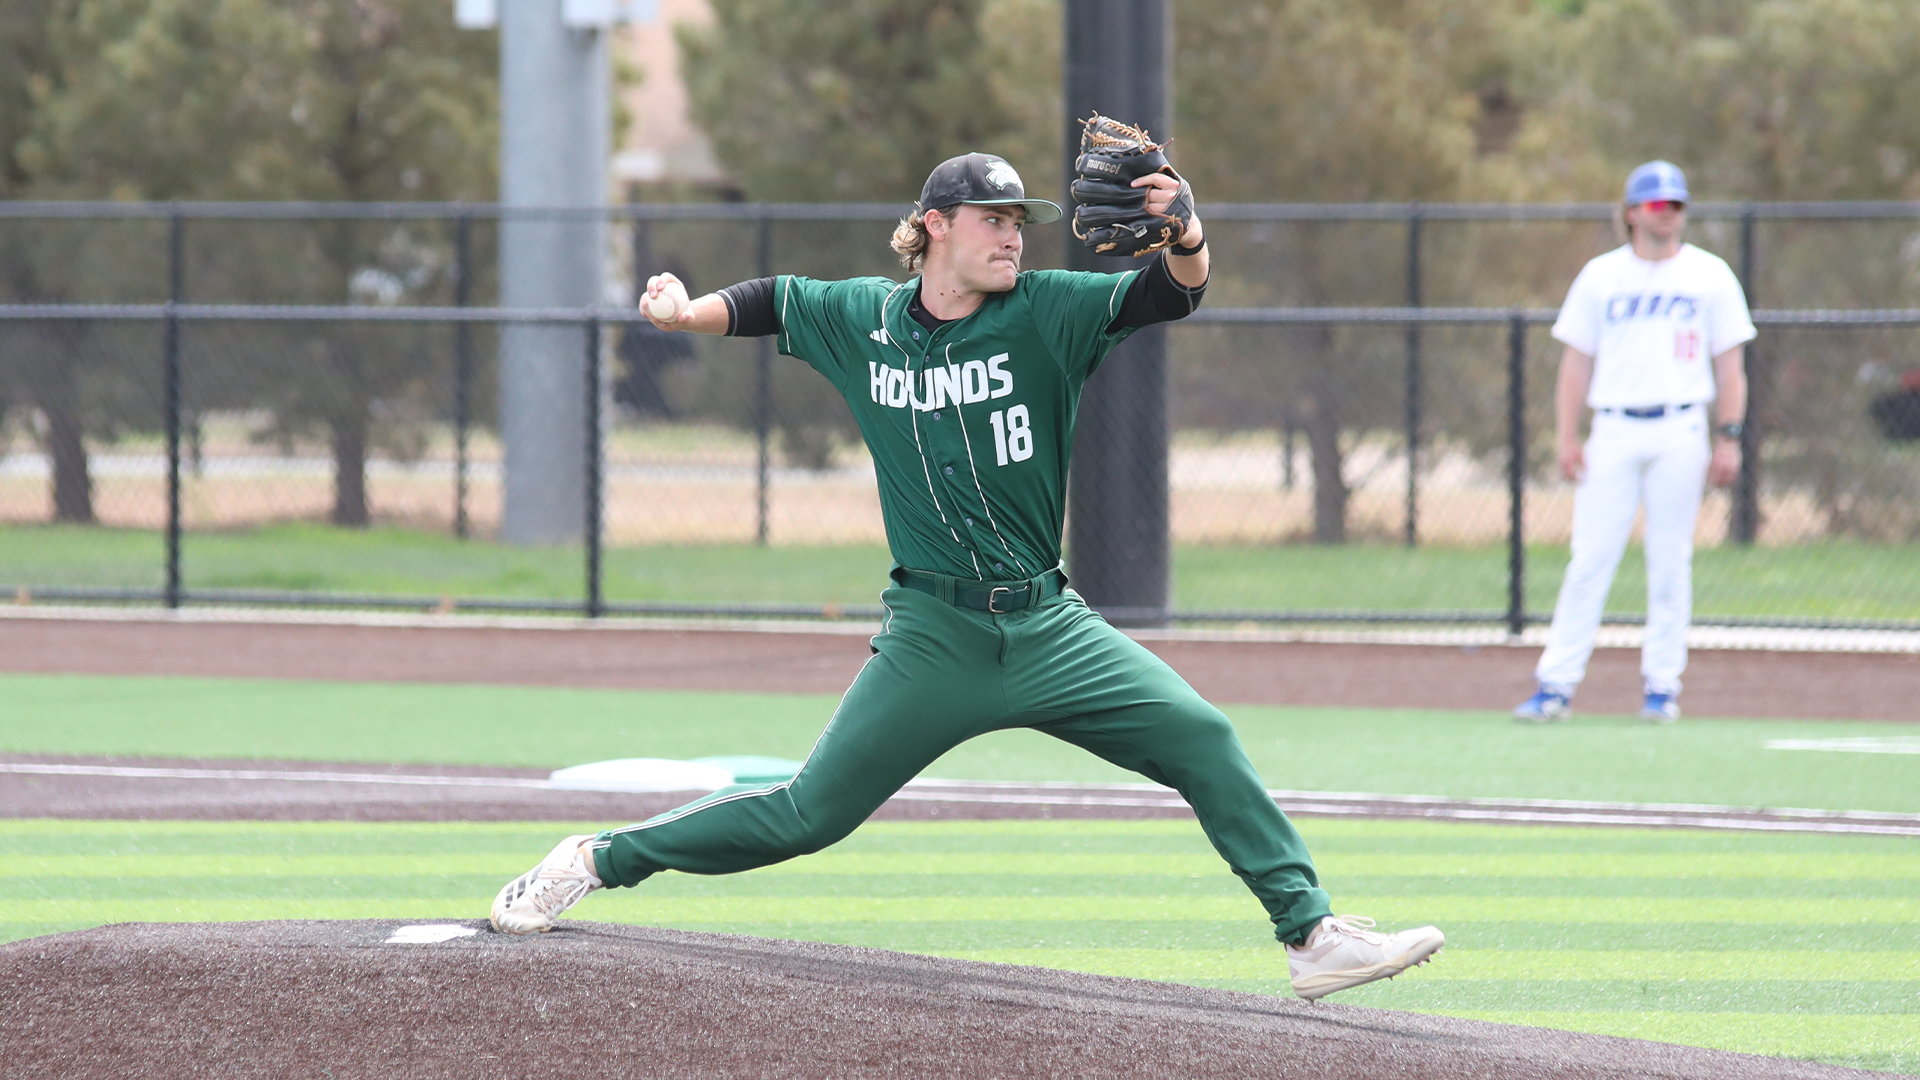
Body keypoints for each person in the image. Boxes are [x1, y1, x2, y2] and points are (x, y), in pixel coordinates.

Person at [490, 151, 1444, 1000]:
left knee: (1199, 733)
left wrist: (1187, 232)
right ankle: (595, 860)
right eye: (994, 221)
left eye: (1019, 224)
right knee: (807, 815)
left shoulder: (1048, 313)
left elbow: (1172, 292)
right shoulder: (864, 316)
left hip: (1048, 627)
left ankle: (1311, 935)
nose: (1012, 240)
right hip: (934, 638)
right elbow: (778, 298)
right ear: (935, 227)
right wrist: (685, 313)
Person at [1515, 161, 1754, 723]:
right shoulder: (1601, 276)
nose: (1666, 213)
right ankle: (1556, 686)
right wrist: (1567, 435)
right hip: (1616, 428)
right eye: (1655, 204)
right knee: (1590, 559)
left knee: (1670, 563)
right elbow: (1576, 364)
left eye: (1675, 204)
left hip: (1681, 428)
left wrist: (1730, 437)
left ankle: (1661, 688)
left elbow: (1732, 367)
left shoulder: (1710, 275)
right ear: (1630, 213)